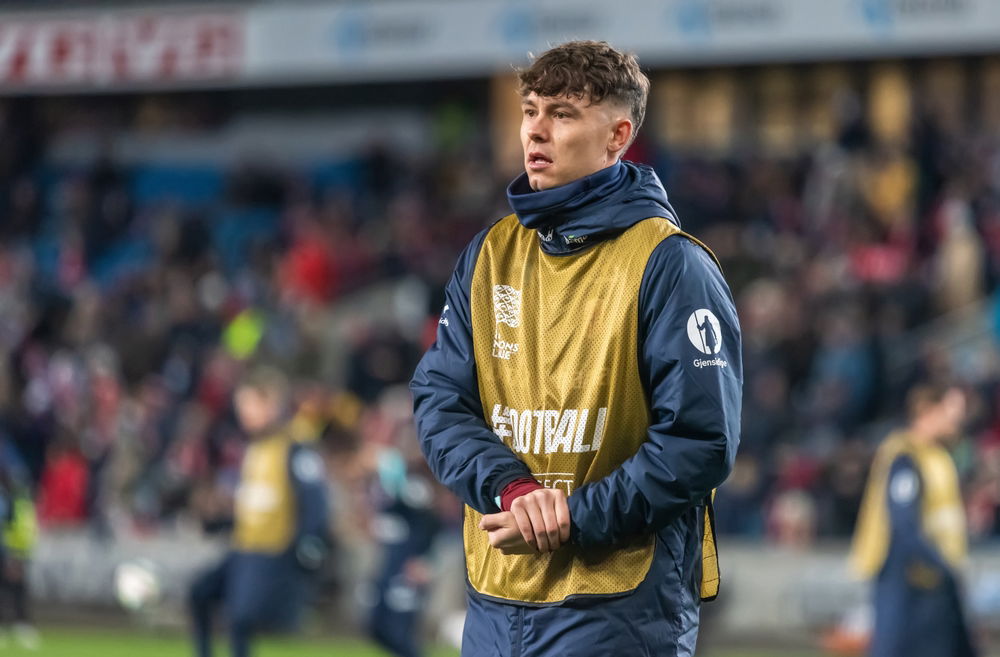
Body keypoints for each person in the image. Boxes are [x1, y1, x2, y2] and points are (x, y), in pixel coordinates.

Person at [410, 40, 742, 656]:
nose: (536, 130)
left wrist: (572, 516)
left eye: (562, 114)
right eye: (530, 111)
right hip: (495, 602)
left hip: (619, 610)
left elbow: (699, 441)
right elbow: (439, 399)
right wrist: (511, 489)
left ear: (618, 136)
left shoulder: (672, 265)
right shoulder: (488, 256)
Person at [188, 366, 330, 657]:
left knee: (240, 617)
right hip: (244, 547)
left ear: (270, 404)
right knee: (199, 594)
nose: (244, 413)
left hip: (271, 551)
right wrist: (220, 520)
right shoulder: (255, 447)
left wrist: (307, 544)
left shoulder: (294, 445)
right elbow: (256, 504)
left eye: (249, 405)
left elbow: (315, 499)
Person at [850, 384, 978, 657]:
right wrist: (940, 564)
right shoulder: (905, 456)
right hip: (909, 576)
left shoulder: (938, 457)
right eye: (951, 409)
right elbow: (903, 524)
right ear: (927, 410)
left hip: (937, 577)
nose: (958, 417)